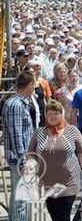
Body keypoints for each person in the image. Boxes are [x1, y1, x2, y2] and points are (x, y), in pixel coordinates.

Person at [27, 99, 82, 221]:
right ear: (46, 115)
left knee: (63, 216)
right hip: (46, 184)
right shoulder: (39, 133)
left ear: (61, 114)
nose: (53, 116)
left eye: (56, 113)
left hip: (68, 183)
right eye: (50, 113)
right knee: (54, 216)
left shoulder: (72, 131)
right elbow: (31, 154)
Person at [3, 71, 36, 221]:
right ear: (29, 85)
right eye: (33, 86)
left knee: (18, 199)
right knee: (21, 199)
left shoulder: (17, 102)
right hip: (19, 160)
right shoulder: (16, 105)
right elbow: (16, 136)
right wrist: (23, 162)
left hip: (21, 158)